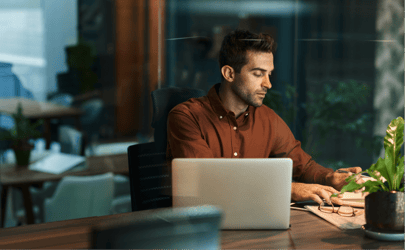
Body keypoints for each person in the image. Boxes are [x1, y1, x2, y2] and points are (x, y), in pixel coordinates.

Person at [166, 29, 364, 205]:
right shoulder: (186, 117)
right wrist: (289, 189)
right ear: (229, 73)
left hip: (256, 225)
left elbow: (303, 166)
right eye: (258, 74)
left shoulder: (267, 118)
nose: (268, 84)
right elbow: (207, 180)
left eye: (269, 74)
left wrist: (330, 177)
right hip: (203, 228)